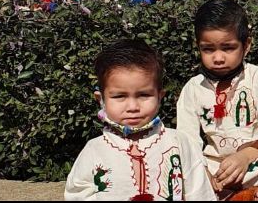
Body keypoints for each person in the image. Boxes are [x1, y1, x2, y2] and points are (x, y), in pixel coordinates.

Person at [64, 39, 216, 200]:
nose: (133, 107)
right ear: (100, 99)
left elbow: (200, 192)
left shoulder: (178, 142)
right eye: (119, 96)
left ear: (160, 96)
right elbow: (76, 194)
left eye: (144, 95)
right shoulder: (94, 150)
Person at [177, 0, 258, 201]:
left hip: (254, 162)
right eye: (208, 49)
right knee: (180, 171)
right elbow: (187, 140)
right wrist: (203, 171)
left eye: (228, 48)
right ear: (198, 47)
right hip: (214, 167)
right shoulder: (193, 89)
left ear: (246, 45)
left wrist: (245, 156)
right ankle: (242, 195)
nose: (218, 57)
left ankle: (218, 194)